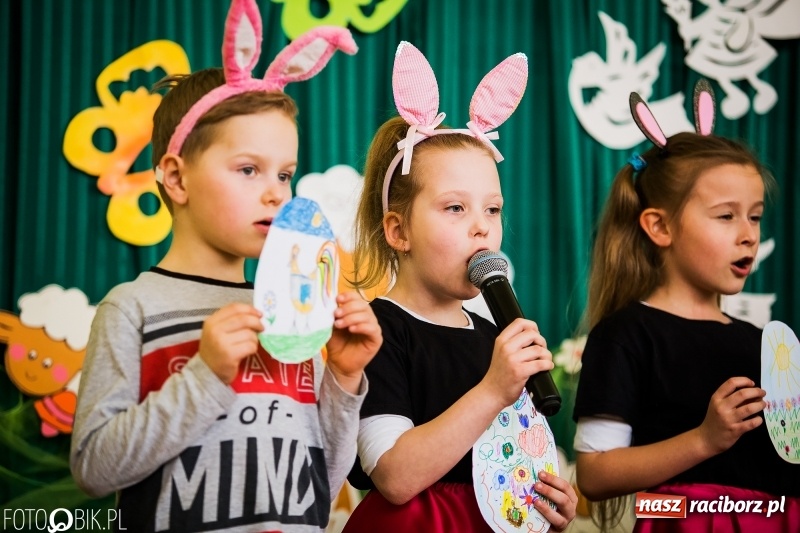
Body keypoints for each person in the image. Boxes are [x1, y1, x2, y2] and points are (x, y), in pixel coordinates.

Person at [70, 2, 380, 532]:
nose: (275, 193)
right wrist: (205, 373)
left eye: (285, 175)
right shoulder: (133, 309)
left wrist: (345, 380)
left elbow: (321, 488)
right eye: (247, 169)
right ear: (177, 177)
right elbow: (95, 468)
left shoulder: (292, 313)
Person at [342, 41, 577, 533]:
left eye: (492, 209)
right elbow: (395, 476)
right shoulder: (376, 330)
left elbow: (506, 455)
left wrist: (543, 497)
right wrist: (493, 388)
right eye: (455, 208)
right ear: (398, 231)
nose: (483, 228)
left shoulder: (494, 334)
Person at [573, 79, 800, 532]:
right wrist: (704, 440)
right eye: (726, 215)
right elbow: (595, 475)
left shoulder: (764, 344)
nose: (748, 234)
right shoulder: (626, 335)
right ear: (660, 227)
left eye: (754, 216)